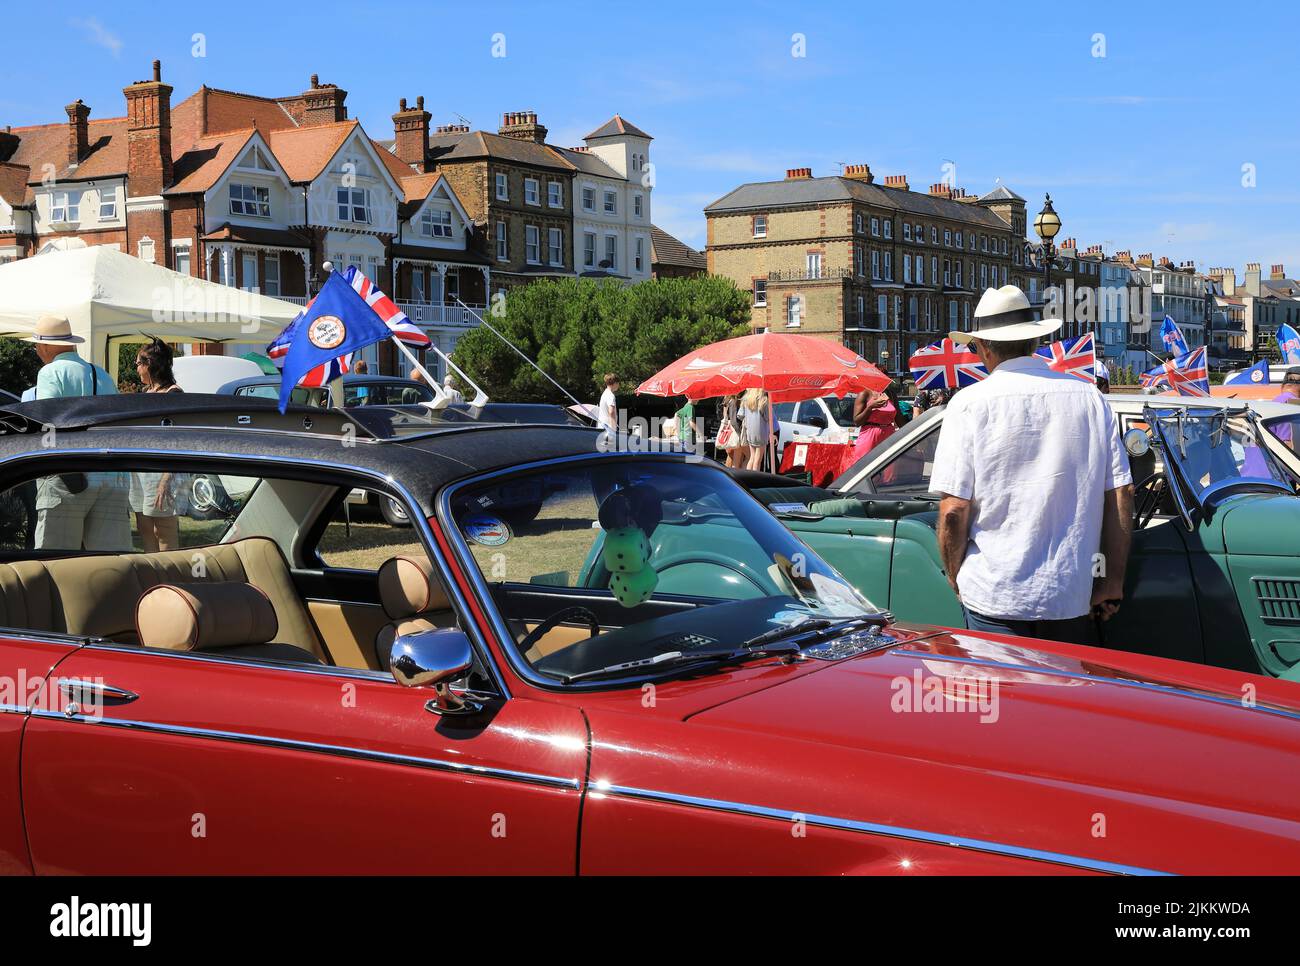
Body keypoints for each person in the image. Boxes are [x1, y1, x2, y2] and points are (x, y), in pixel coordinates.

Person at [930, 285, 1134, 644]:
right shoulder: (1089, 397)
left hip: (994, 592)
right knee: (1059, 698)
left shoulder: (968, 403)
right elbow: (1121, 492)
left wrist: (954, 574)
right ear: (1034, 342)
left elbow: (953, 511)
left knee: (1001, 697)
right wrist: (1112, 580)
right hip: (1069, 592)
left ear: (983, 348)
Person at [26, 315, 130, 551]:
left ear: (44, 346)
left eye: (36, 345)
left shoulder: (50, 373)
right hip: (109, 476)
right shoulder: (101, 374)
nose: (35, 350)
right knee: (109, 562)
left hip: (66, 475)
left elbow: (47, 421)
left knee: (56, 561)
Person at [129, 339, 184, 552]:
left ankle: (169, 578)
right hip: (141, 472)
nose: (136, 368)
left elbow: (178, 440)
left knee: (164, 531)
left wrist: (166, 479)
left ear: (150, 364)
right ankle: (153, 577)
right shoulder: (145, 394)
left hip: (162, 472)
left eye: (138, 363)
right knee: (145, 529)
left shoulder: (173, 393)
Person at [850, 382, 901, 462]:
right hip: (870, 436)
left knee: (889, 468)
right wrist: (870, 407)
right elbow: (857, 421)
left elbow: (899, 419)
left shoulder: (891, 394)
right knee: (866, 467)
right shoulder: (865, 393)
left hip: (888, 435)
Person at [739, 387, 772, 471]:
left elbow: (740, 415)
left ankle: (749, 479)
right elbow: (768, 417)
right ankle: (754, 480)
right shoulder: (764, 400)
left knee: (752, 457)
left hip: (750, 431)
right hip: (761, 432)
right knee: (757, 460)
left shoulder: (746, 399)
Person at [719, 392, 746, 467]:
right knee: (737, 458)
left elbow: (725, 417)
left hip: (728, 431)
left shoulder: (727, 399)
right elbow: (735, 420)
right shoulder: (735, 400)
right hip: (735, 431)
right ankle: (734, 476)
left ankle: (727, 475)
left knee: (730, 455)